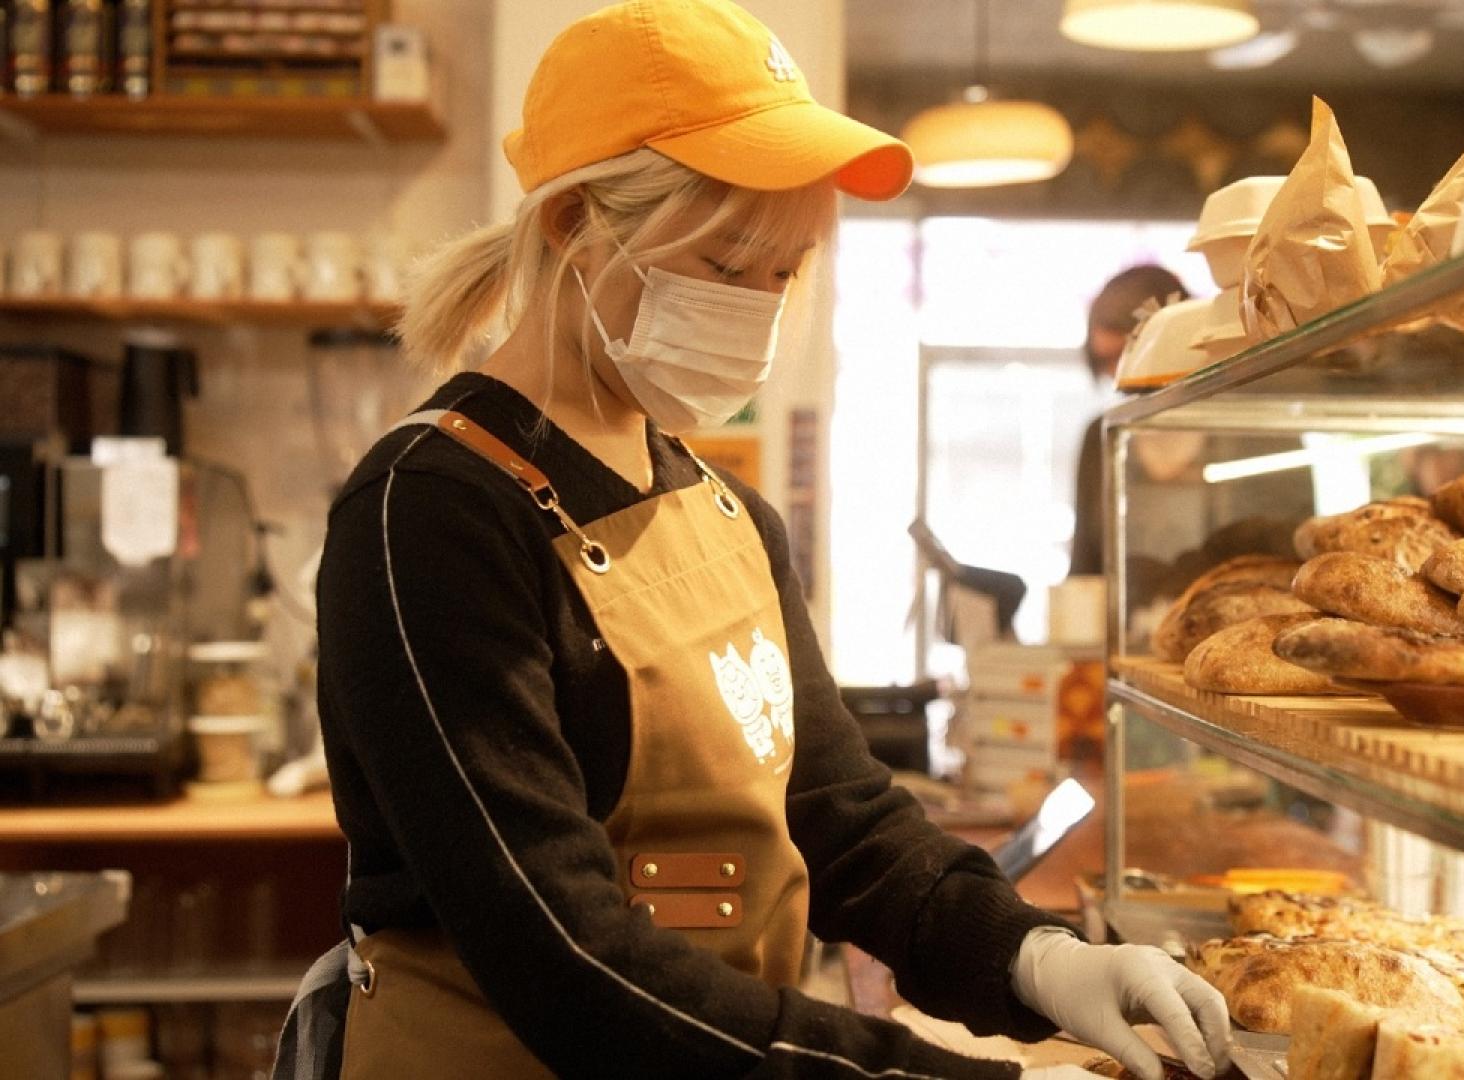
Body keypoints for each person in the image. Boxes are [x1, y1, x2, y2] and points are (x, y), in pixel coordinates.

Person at [281, 4, 1230, 1079]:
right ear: (572, 228)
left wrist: (1034, 957)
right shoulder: (430, 510)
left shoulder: (727, 514)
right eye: (731, 266)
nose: (761, 309)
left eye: (787, 273)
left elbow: (847, 820)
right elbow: (560, 955)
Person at [1067, 266, 1189, 577]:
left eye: (1122, 356)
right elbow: (1084, 565)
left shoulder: (1243, 424)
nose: (1118, 377)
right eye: (1105, 362)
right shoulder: (1101, 435)